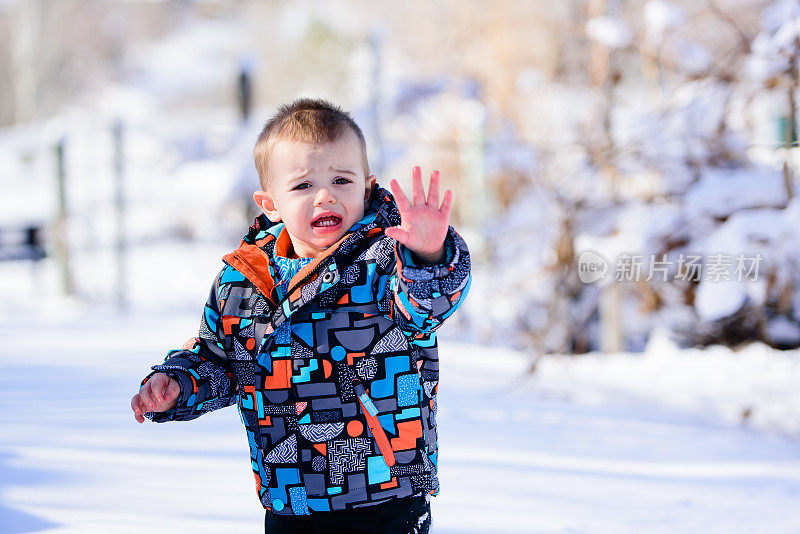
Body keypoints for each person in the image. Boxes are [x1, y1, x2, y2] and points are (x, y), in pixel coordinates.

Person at [130, 98, 471, 534]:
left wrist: (428, 255)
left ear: (367, 189)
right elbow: (219, 360)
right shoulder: (243, 282)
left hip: (386, 495)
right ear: (270, 204)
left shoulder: (387, 261)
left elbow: (428, 303)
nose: (325, 194)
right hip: (291, 499)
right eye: (303, 185)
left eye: (341, 179)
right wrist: (178, 382)